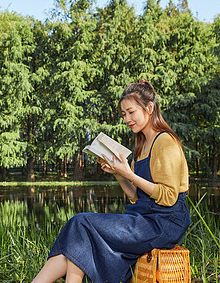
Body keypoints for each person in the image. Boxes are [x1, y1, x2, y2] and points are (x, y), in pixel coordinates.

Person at [32, 79, 191, 283]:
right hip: (143, 217)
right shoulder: (142, 145)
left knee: (81, 223)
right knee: (78, 233)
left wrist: (129, 173)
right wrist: (117, 172)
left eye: (131, 112)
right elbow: (136, 196)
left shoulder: (165, 141)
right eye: (123, 114)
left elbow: (168, 197)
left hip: (163, 222)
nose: (126, 119)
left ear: (149, 108)